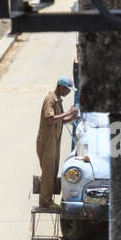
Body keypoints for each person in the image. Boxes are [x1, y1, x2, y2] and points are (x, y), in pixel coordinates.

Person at [36, 77, 78, 208]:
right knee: (48, 172)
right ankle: (45, 201)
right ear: (60, 87)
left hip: (54, 141)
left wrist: (71, 117)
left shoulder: (58, 101)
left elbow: (57, 121)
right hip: (47, 142)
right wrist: (68, 112)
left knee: (53, 171)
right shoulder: (50, 99)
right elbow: (49, 119)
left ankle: (48, 198)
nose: (68, 92)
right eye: (67, 89)